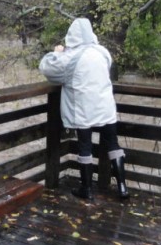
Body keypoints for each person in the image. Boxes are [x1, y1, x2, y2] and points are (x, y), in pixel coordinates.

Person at [38, 18, 128, 200]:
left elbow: (47, 69)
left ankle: (86, 189)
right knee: (113, 144)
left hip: (83, 109)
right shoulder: (103, 52)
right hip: (105, 106)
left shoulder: (70, 58)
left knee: (85, 146)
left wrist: (55, 53)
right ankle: (122, 187)